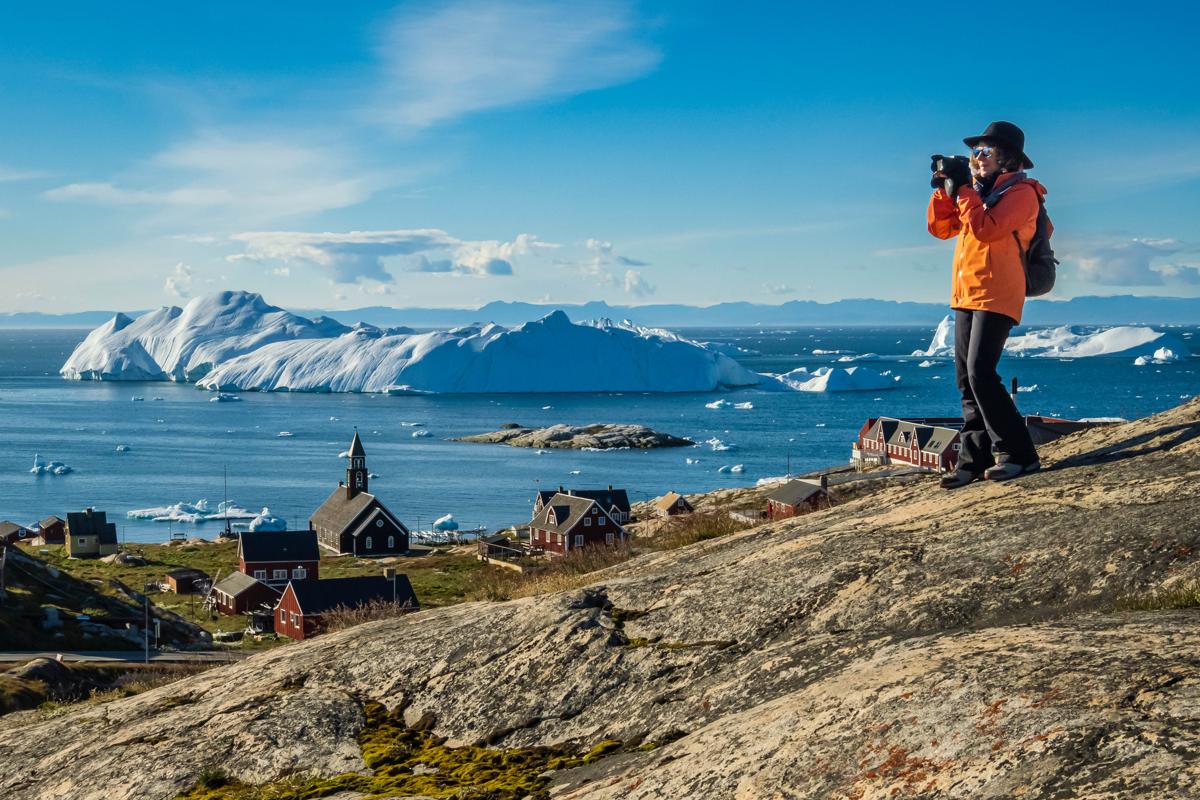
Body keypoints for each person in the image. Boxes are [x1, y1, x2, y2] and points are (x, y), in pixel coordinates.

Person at [927, 121, 1047, 488]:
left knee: (981, 372)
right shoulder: (975, 193)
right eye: (973, 153)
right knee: (966, 380)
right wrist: (945, 190)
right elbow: (940, 228)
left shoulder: (1023, 194)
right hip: (966, 293)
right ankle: (972, 460)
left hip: (998, 292)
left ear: (1007, 159)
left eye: (985, 153)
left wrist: (963, 188)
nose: (976, 159)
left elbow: (987, 229)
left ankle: (1019, 455)